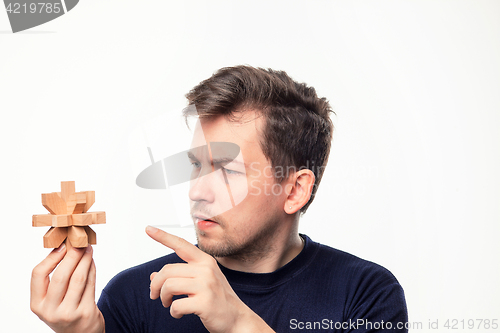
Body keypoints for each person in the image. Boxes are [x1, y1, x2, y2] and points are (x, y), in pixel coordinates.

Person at [31, 65, 408, 332]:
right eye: (197, 166)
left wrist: (238, 323)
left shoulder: (365, 296)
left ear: (294, 190)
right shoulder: (134, 296)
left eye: (227, 171)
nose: (196, 191)